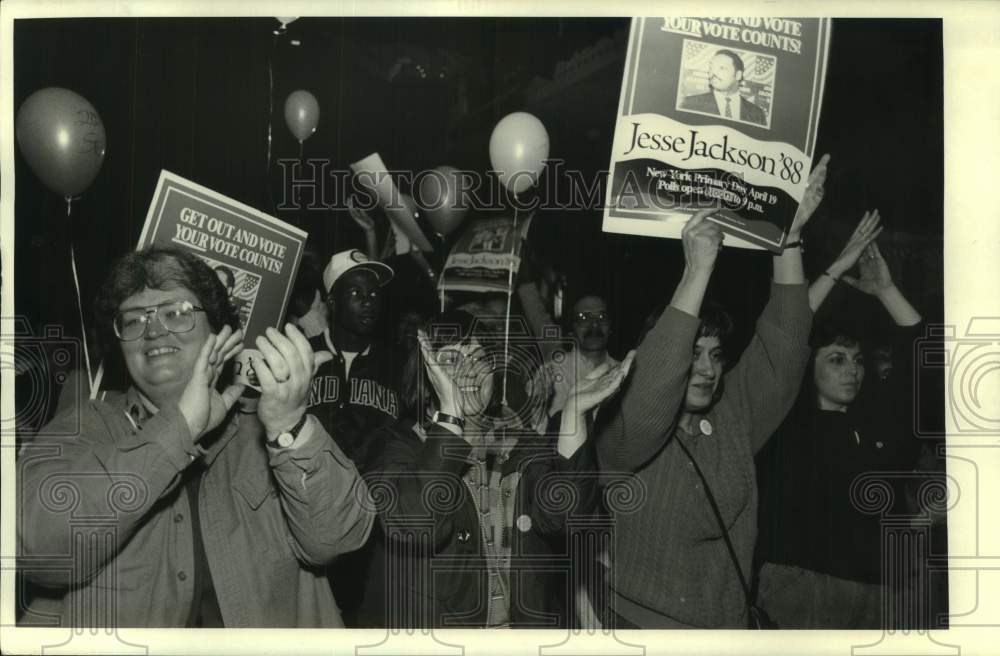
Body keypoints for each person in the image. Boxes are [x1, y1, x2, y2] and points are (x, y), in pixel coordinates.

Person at [17, 246, 373, 627]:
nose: (153, 331)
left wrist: (290, 428)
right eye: (133, 321)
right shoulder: (87, 426)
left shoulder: (266, 426)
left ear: (217, 330)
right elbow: (38, 550)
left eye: (176, 313)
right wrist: (180, 427)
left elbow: (338, 539)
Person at [594, 155, 828, 628]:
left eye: (716, 355)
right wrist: (696, 272)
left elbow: (781, 349)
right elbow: (653, 391)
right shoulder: (619, 433)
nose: (706, 370)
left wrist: (789, 238)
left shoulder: (731, 418)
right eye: (693, 354)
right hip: (641, 631)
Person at [357, 310, 635, 628]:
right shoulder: (396, 444)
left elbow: (567, 519)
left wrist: (573, 410)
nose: (470, 372)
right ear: (426, 375)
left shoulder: (520, 442)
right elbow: (419, 525)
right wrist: (450, 416)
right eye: (451, 361)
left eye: (478, 358)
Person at [755, 219, 926, 629]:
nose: (852, 371)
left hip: (880, 591)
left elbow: (923, 354)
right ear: (807, 367)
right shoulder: (787, 425)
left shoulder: (877, 427)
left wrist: (886, 290)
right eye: (836, 359)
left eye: (857, 361)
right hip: (807, 590)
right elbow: (786, 332)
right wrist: (838, 267)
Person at [308, 248, 400, 464]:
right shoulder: (303, 354)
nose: (369, 302)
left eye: (375, 293)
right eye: (355, 293)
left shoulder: (397, 363)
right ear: (332, 302)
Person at [680, 49, 767, 127]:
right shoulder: (690, 104)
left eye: (722, 68)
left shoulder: (757, 114)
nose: (713, 73)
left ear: (738, 75)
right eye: (711, 68)